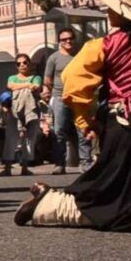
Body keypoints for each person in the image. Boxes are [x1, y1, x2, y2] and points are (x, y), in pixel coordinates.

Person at [15, 0, 131, 231]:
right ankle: (49, 206)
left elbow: (73, 80)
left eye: (112, 8)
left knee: (127, 195)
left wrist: (86, 121)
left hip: (124, 128)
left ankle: (50, 203)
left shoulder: (103, 45)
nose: (108, 11)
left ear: (121, 13)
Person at [42, 27, 92, 174]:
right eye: (64, 39)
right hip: (60, 98)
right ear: (59, 42)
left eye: (70, 38)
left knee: (83, 130)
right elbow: (47, 79)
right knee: (59, 132)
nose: (68, 41)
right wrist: (50, 92)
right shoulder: (53, 58)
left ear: (74, 39)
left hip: (79, 98)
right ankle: (60, 164)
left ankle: (86, 163)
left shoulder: (81, 55)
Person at [0, 55, 42, 176]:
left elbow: (36, 86)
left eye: (24, 62)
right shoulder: (12, 77)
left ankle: (25, 167)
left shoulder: (36, 77)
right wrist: (27, 86)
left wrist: (23, 87)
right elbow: (10, 86)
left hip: (31, 111)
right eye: (19, 63)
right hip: (14, 111)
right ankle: (7, 168)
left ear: (29, 63)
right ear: (16, 66)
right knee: (11, 138)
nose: (22, 65)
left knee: (29, 139)